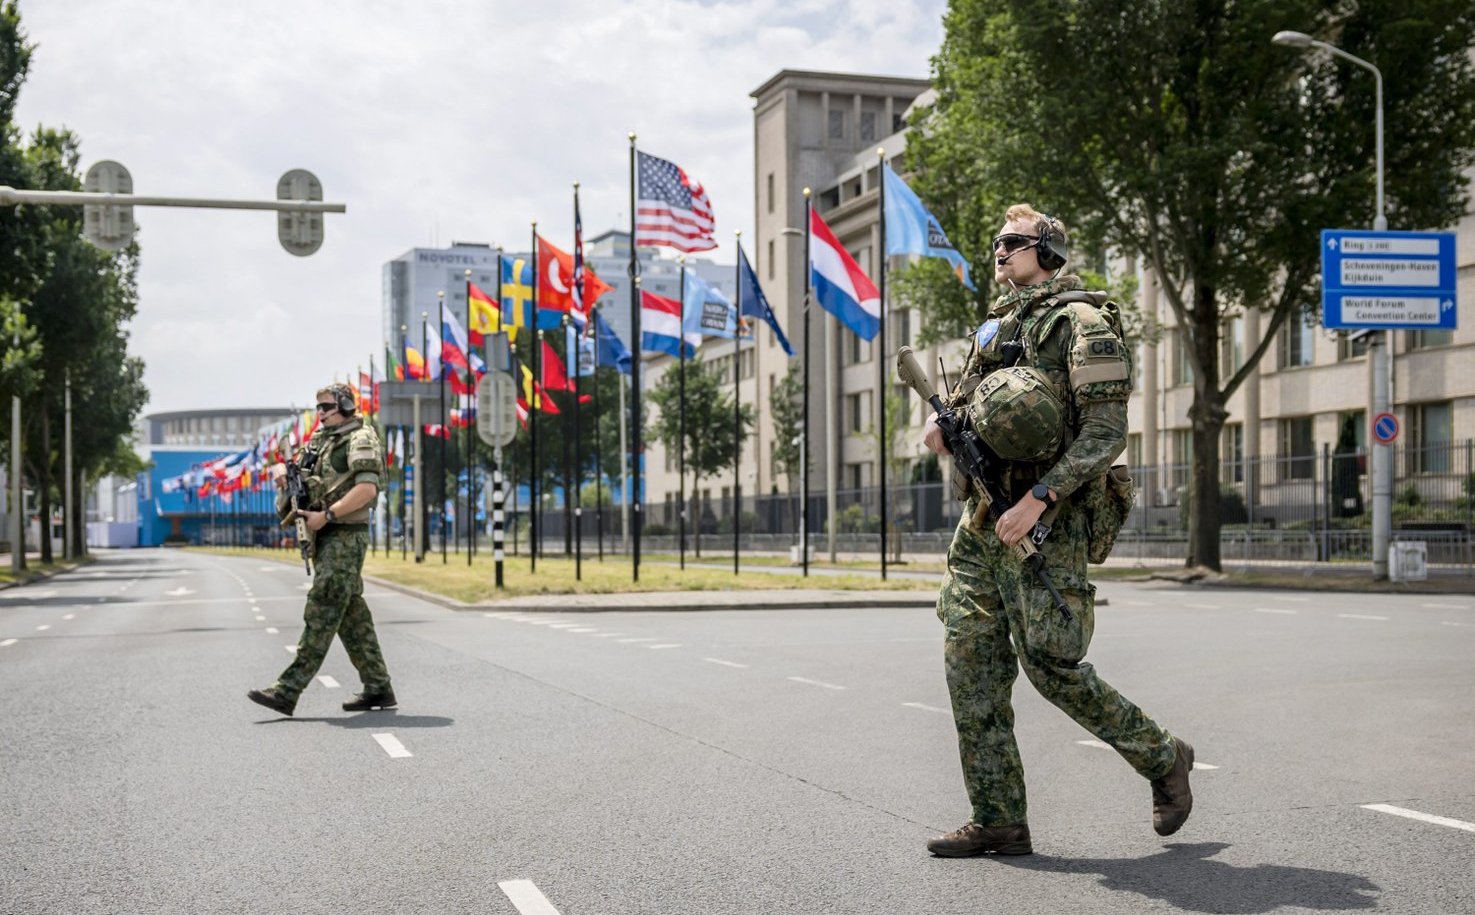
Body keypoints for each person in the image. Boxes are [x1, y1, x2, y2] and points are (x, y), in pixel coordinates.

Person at [922, 205, 1193, 857]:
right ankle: (997, 818)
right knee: (968, 660)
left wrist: (1040, 498)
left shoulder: (1084, 324)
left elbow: (1105, 433)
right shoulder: (996, 328)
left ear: (1047, 251)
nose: (999, 251)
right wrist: (941, 429)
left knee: (1051, 664)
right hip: (984, 517)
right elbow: (964, 404)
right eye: (996, 242)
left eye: (1012, 242)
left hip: (1050, 519)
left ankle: (1162, 757)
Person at [247, 382, 396, 717]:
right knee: (352, 617)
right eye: (318, 408)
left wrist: (326, 515)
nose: (321, 413)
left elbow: (368, 489)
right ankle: (378, 687)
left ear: (345, 404)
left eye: (327, 407)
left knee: (323, 607)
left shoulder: (360, 439)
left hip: (345, 534)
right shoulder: (320, 440)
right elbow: (301, 471)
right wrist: (286, 475)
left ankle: (287, 690)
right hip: (324, 535)